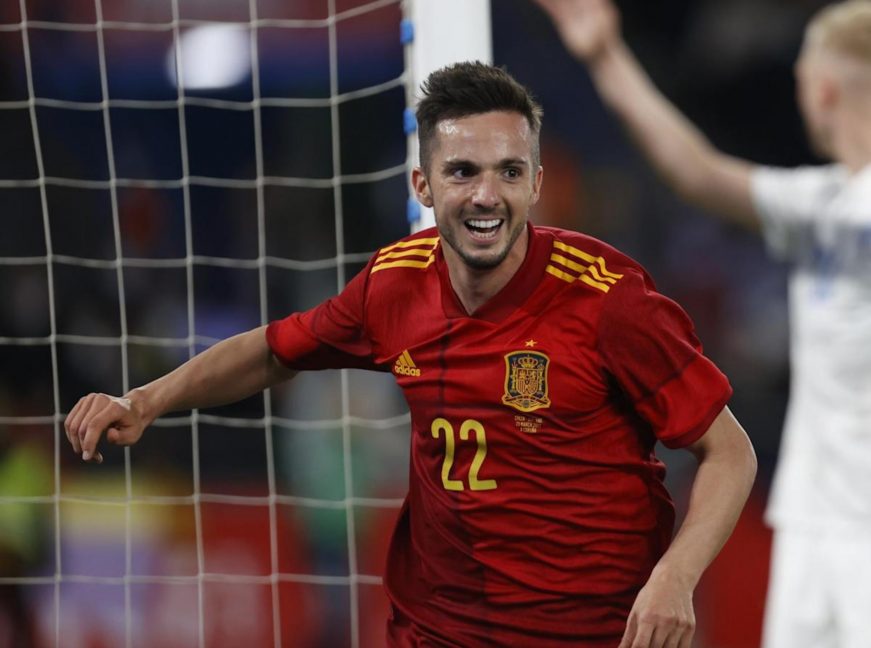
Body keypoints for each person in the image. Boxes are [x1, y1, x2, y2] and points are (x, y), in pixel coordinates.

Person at [64, 61, 756, 648]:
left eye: (508, 171)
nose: (486, 195)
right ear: (422, 187)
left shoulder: (609, 299)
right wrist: (145, 399)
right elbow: (275, 351)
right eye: (461, 171)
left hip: (590, 631)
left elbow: (729, 452)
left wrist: (675, 575)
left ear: (535, 184)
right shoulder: (393, 284)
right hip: (437, 627)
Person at [533, 0, 871, 646]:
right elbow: (696, 171)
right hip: (810, 521)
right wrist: (605, 55)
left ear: (822, 89)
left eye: (800, 76)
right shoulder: (818, 201)